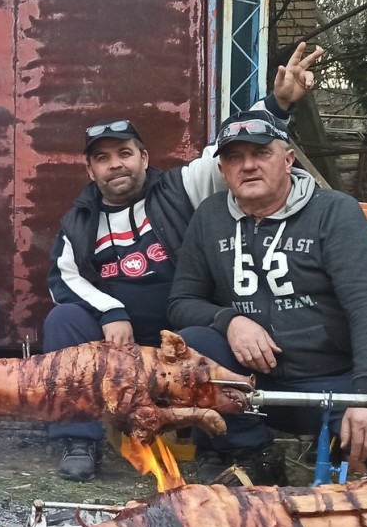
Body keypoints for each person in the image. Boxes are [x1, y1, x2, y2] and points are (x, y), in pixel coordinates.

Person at [42, 42, 323, 480]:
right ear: (90, 170)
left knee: (203, 332)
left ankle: (236, 447)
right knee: (62, 320)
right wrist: (111, 311)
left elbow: (230, 146)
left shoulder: (180, 188)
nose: (116, 165)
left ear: (144, 158)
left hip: (183, 330)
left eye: (125, 154)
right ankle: (78, 441)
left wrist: (279, 103)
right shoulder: (79, 219)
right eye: (103, 158)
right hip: (117, 339)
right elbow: (63, 279)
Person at [166, 114, 367, 482]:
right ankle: (251, 456)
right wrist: (231, 321)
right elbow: (181, 302)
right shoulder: (210, 217)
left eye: (261, 153)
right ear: (223, 171)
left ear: (288, 160)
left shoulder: (334, 212)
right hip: (256, 383)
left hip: (336, 375)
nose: (249, 165)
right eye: (235, 158)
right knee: (193, 343)